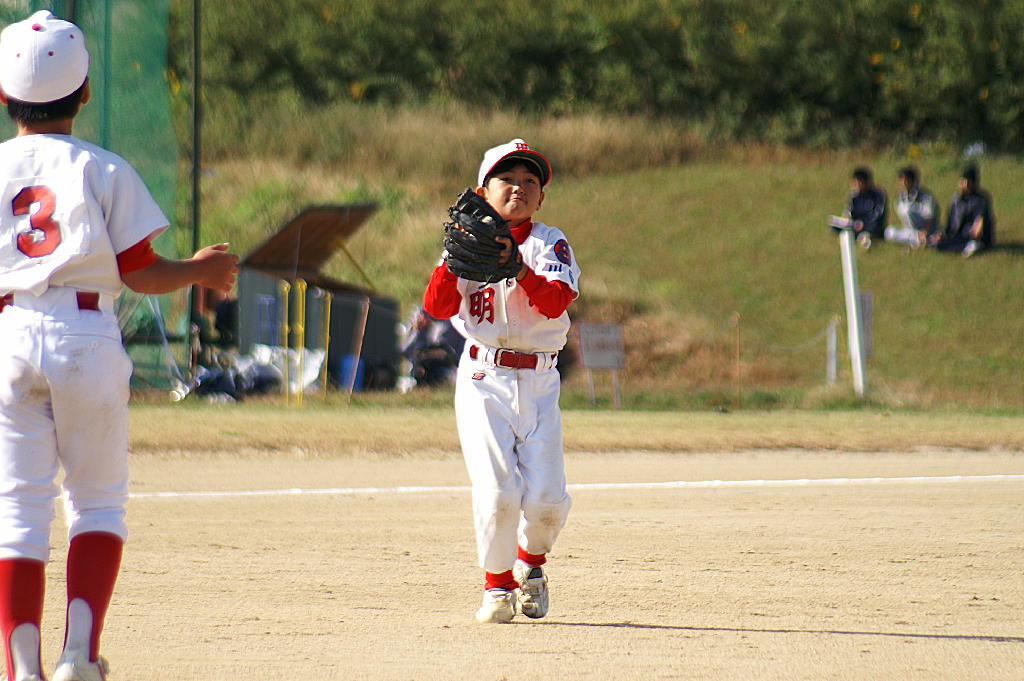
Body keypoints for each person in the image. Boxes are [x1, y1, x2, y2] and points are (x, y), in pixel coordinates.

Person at [0, 11, 238, 681]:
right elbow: (139, 271)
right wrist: (200, 270)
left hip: (10, 334)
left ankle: (21, 668)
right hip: (85, 335)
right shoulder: (100, 167)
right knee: (97, 501)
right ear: (83, 94)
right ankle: (78, 656)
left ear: (3, 95)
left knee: (17, 510)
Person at [422, 139, 581, 623]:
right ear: (482, 192)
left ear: (541, 198)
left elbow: (555, 302)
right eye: (506, 179)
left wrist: (518, 268)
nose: (519, 188)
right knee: (498, 493)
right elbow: (437, 308)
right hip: (483, 376)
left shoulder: (548, 243)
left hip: (540, 380)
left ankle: (530, 563)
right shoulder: (465, 242)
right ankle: (497, 587)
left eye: (530, 181)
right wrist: (452, 261)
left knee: (547, 501)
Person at [939, 164, 995, 257]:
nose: (962, 185)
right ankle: (965, 247)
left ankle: (974, 246)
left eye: (966, 182)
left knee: (973, 242)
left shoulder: (981, 199)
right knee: (939, 244)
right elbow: (950, 221)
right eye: (961, 182)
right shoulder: (955, 200)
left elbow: (980, 219)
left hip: (973, 235)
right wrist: (943, 234)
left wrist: (976, 231)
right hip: (958, 235)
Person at [883, 166, 940, 249]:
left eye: (905, 180)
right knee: (889, 232)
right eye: (900, 180)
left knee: (907, 209)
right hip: (912, 232)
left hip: (928, 230)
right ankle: (918, 240)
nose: (902, 183)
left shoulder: (926, 196)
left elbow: (929, 217)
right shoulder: (900, 198)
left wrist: (924, 232)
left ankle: (924, 239)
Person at [842, 166, 888, 248]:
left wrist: (864, 223)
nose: (856, 185)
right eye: (854, 182)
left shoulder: (877, 195)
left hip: (872, 225)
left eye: (859, 182)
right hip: (857, 225)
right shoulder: (854, 195)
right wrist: (847, 219)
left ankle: (868, 238)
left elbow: (878, 214)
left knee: (873, 228)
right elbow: (848, 212)